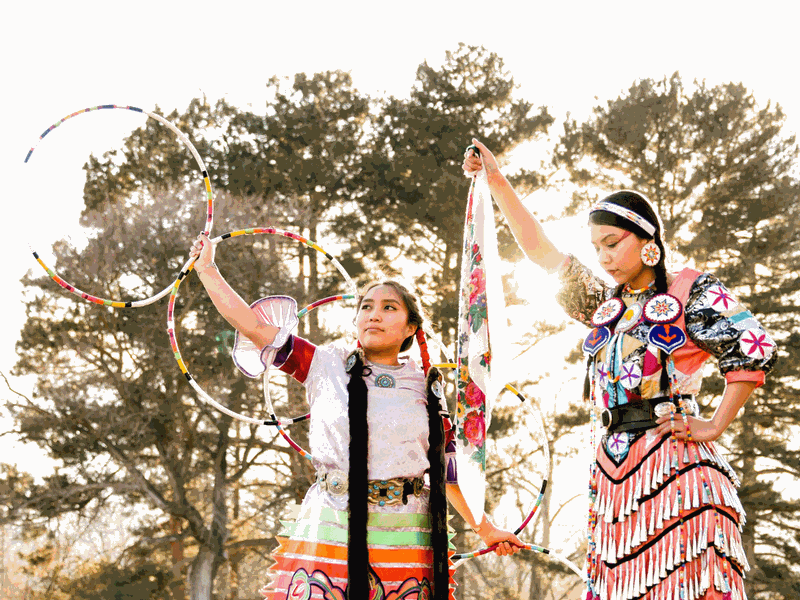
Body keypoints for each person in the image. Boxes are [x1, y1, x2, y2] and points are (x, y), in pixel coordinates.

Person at [463, 140, 777, 600]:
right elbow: (543, 254)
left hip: (677, 476)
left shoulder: (690, 289)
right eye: (597, 248)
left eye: (613, 243)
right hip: (612, 480)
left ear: (648, 240)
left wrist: (713, 425)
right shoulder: (606, 304)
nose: (604, 257)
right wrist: (495, 178)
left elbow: (753, 349)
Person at [189, 234, 522, 600]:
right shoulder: (324, 363)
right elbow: (251, 325)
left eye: (389, 307)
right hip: (333, 525)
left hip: (406, 536)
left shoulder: (426, 387)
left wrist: (487, 530)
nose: (374, 314)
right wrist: (207, 268)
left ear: (412, 327)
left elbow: (447, 472)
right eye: (366, 306)